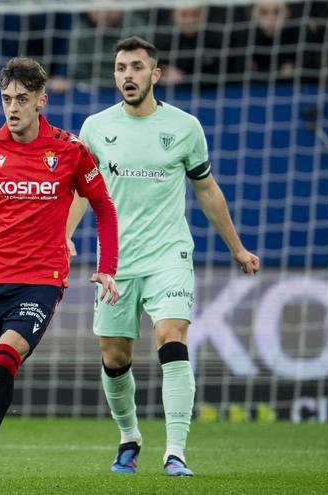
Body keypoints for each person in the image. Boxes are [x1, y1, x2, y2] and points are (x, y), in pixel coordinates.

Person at [66, 36, 260, 477]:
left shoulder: (185, 127)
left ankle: (176, 451)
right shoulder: (95, 126)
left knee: (172, 337)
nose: (127, 75)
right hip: (115, 261)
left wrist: (237, 248)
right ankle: (129, 436)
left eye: (136, 67)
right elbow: (83, 190)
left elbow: (206, 189)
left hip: (169, 253)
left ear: (155, 74)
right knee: (114, 356)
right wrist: (64, 236)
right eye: (120, 68)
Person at [0, 57, 120, 487]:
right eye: (6, 98)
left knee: (4, 360)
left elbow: (105, 209)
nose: (13, 107)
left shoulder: (70, 150)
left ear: (42, 100)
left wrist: (107, 267)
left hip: (40, 280)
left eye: (22, 99)